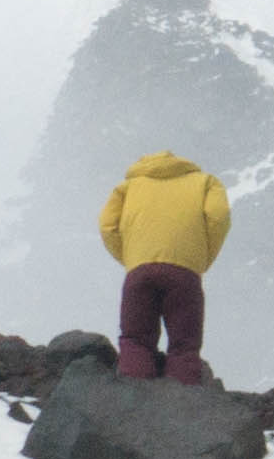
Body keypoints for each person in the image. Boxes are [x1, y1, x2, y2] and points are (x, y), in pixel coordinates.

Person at [96, 149, 232, 383]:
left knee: (135, 339)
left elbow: (107, 226)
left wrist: (132, 259)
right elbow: (218, 217)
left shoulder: (128, 187)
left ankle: (134, 392)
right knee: (184, 344)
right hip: (185, 273)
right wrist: (201, 258)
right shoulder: (206, 182)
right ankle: (181, 400)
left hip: (139, 272)